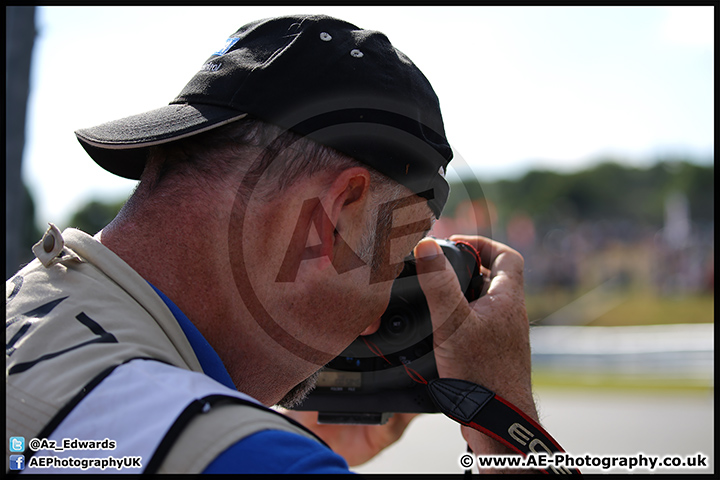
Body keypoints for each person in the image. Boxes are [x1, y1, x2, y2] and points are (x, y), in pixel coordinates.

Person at [6, 15, 538, 474]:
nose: (376, 319)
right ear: (333, 216)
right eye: (397, 254)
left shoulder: (26, 311)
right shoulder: (250, 458)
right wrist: (505, 418)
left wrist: (283, 439)